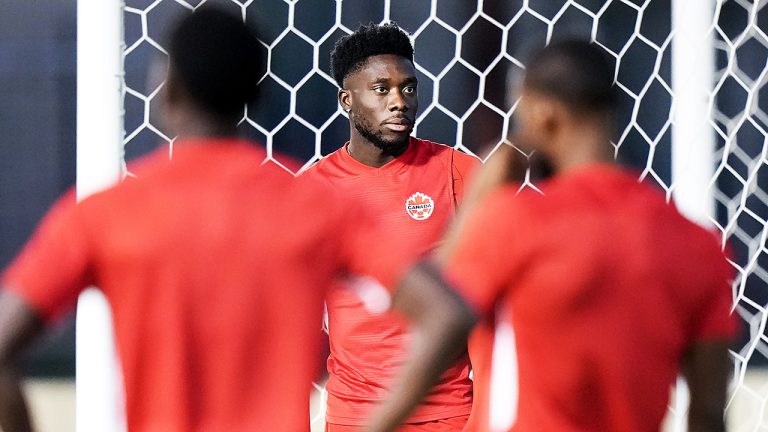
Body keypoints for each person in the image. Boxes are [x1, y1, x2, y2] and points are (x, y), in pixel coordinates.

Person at [0, 8, 444, 432]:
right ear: (259, 94)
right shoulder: (316, 204)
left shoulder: (105, 212)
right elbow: (445, 314)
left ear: (166, 89)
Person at [366, 39, 737, 432]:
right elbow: (709, 414)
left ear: (543, 113)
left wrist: (478, 199)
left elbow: (432, 308)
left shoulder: (517, 221)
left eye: (521, 112)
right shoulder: (699, 244)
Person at [301, 22, 479, 432]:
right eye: (381, 89)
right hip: (354, 418)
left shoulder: (457, 172)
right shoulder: (312, 191)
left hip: (448, 416)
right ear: (346, 100)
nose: (399, 101)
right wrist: (337, 379)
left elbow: (493, 298)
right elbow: (292, 311)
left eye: (409, 88)